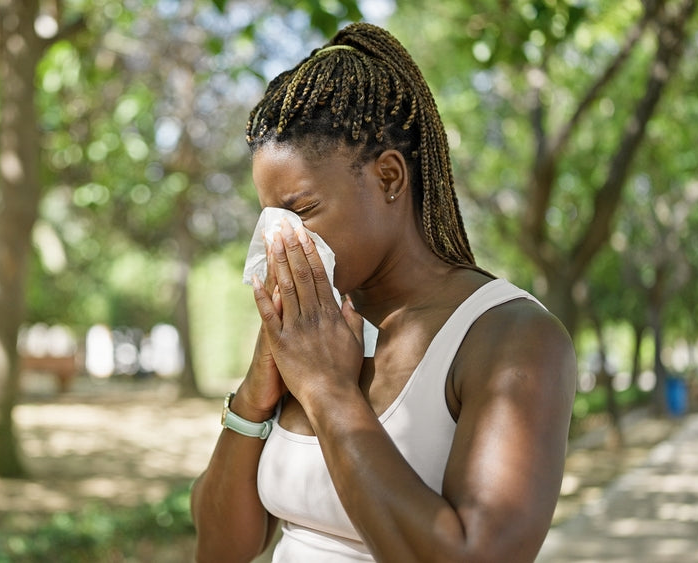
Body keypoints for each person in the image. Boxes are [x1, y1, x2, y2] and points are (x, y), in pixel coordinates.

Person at [190, 22, 577, 562]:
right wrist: (257, 392)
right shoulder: (312, 331)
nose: (280, 239)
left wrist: (327, 391)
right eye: (271, 218)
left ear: (389, 177)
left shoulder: (511, 338)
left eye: (301, 210)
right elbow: (219, 550)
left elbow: (477, 554)